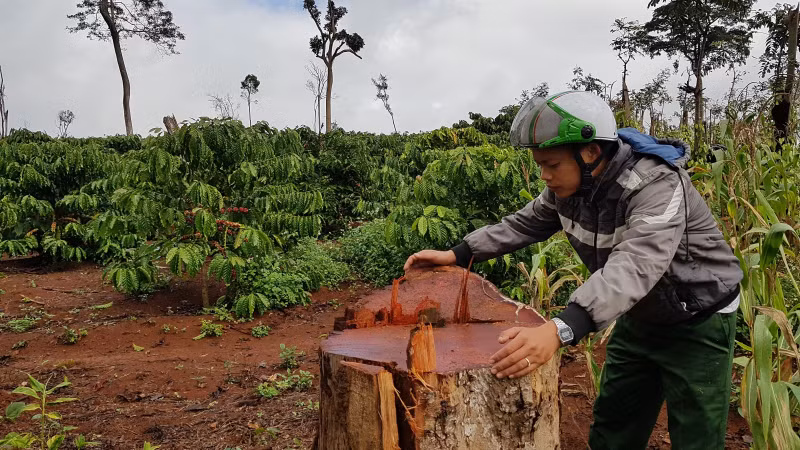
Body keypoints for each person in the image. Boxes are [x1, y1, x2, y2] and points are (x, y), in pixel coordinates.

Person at [403, 91, 743, 449]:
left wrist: (561, 329)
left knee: (696, 435)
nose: (544, 176)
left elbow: (637, 264)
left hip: (698, 319)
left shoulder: (655, 185)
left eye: (551, 164)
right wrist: (457, 254)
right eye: (539, 165)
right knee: (615, 426)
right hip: (639, 314)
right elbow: (523, 224)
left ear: (590, 153)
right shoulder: (569, 189)